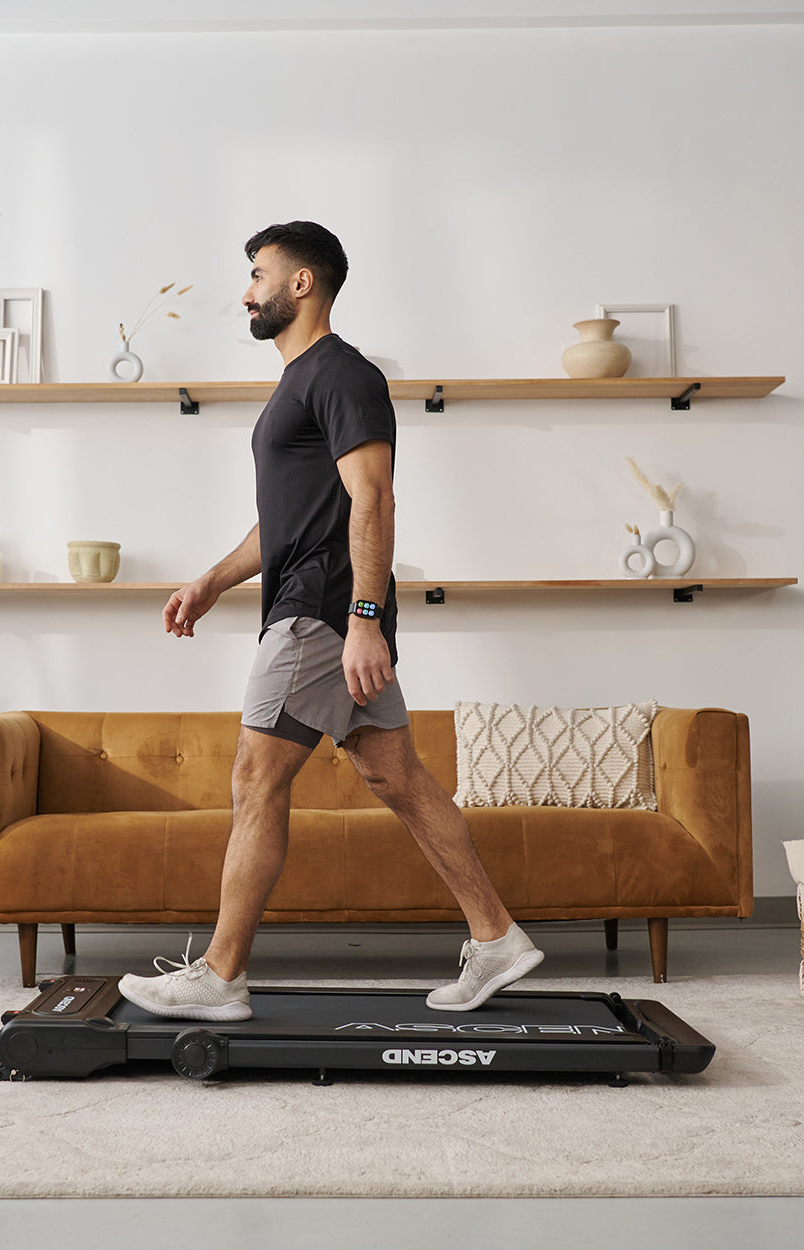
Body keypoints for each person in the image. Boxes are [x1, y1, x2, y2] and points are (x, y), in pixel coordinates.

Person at [117, 221, 543, 1022]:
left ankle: (220, 975)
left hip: (320, 614)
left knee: (255, 780)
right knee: (397, 778)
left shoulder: (342, 374)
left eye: (258, 274)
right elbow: (286, 521)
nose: (247, 292)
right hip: (326, 613)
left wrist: (363, 619)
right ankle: (496, 937)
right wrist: (212, 580)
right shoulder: (300, 382)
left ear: (301, 282)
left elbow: (373, 498)